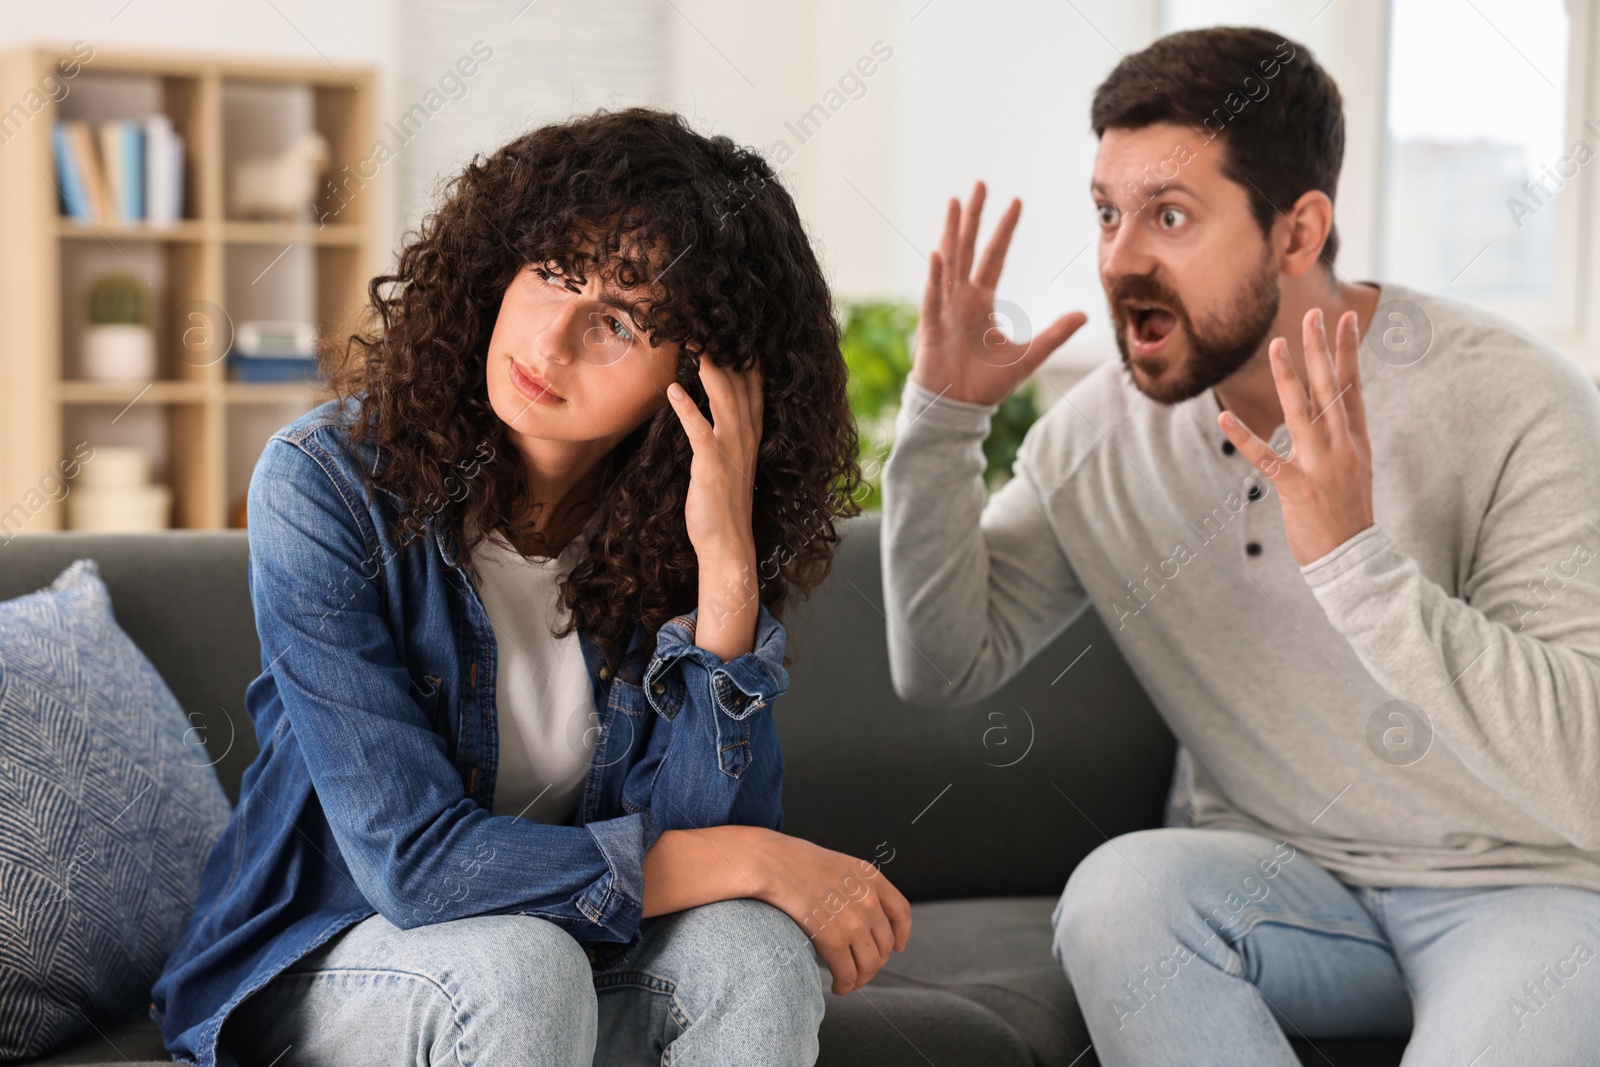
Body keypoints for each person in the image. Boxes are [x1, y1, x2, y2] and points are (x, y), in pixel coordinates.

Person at [881, 25, 1600, 1066]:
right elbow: (944, 666)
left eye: (1169, 215)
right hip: (1282, 885)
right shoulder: (1100, 436)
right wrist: (942, 423)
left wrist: (1355, 561)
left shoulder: (1511, 402)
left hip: (1529, 887)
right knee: (1120, 893)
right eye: (1107, 212)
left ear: (1297, 231)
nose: (1121, 256)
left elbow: (1583, 768)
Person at [151, 107, 910, 1067]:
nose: (550, 342)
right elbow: (415, 867)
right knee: (525, 967)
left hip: (556, 964)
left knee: (757, 953)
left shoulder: (675, 532)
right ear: (497, 265)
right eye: (553, 272)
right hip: (325, 964)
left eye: (620, 321)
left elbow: (695, 862)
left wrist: (726, 582)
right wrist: (760, 859)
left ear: (706, 376)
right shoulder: (325, 484)